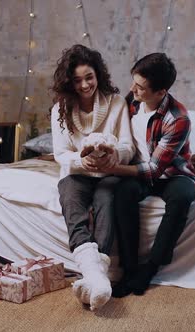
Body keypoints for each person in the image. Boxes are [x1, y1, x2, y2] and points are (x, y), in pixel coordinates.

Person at [95, 53, 195, 297]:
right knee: (122, 193)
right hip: (138, 171)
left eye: (140, 87)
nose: (132, 89)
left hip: (173, 175)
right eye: (133, 82)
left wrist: (111, 168)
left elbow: (154, 170)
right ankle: (130, 269)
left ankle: (150, 268)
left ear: (161, 92)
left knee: (183, 197)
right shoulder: (130, 101)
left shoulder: (178, 119)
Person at [50, 44, 135, 310]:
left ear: (98, 75)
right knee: (70, 199)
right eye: (77, 80)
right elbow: (61, 153)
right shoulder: (60, 110)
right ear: (68, 83)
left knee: (106, 198)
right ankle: (96, 276)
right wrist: (80, 159)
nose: (85, 85)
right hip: (77, 173)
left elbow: (128, 146)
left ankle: (93, 275)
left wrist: (113, 154)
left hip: (109, 172)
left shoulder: (117, 103)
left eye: (90, 77)